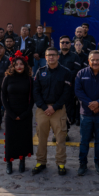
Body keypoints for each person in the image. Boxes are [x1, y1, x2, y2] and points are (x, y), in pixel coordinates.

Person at [32, 47, 72, 176]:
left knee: (60, 138)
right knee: (41, 138)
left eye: (53, 55)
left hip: (58, 110)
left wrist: (54, 107)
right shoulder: (40, 72)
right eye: (48, 55)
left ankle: (61, 163)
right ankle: (40, 162)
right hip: (42, 110)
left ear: (58, 56)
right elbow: (36, 91)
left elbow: (67, 93)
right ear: (46, 56)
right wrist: (44, 107)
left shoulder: (65, 72)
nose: (51, 58)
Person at [74, 50, 99, 176]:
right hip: (86, 113)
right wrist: (91, 104)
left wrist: (98, 103)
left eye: (98, 60)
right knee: (84, 140)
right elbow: (78, 91)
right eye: (93, 59)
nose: (95, 62)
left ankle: (98, 163)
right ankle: (83, 164)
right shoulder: (81, 73)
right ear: (89, 61)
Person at [2, 52, 34, 174]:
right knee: (11, 139)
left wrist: (26, 113)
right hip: (10, 113)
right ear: (13, 66)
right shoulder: (8, 78)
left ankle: (22, 161)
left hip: (25, 113)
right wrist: (10, 113)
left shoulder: (29, 80)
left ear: (25, 66)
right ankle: (9, 163)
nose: (19, 66)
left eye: (21, 64)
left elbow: (32, 99)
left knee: (23, 139)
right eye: (16, 64)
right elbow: (3, 97)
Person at [58, 36, 82, 141]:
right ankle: (56, 132)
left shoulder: (75, 56)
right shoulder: (55, 55)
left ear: (70, 44)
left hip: (69, 88)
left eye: (67, 42)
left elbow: (76, 71)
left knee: (67, 111)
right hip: (56, 88)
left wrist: (63, 77)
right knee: (56, 111)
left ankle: (65, 132)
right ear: (59, 43)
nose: (64, 44)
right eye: (62, 42)